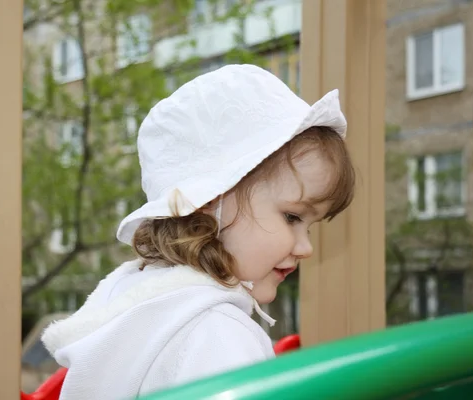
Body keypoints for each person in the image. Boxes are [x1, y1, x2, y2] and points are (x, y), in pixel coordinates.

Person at [41, 64, 355, 399]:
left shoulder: (139, 305)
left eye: (311, 226)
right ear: (209, 200)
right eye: (292, 217)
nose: (305, 247)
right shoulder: (217, 334)